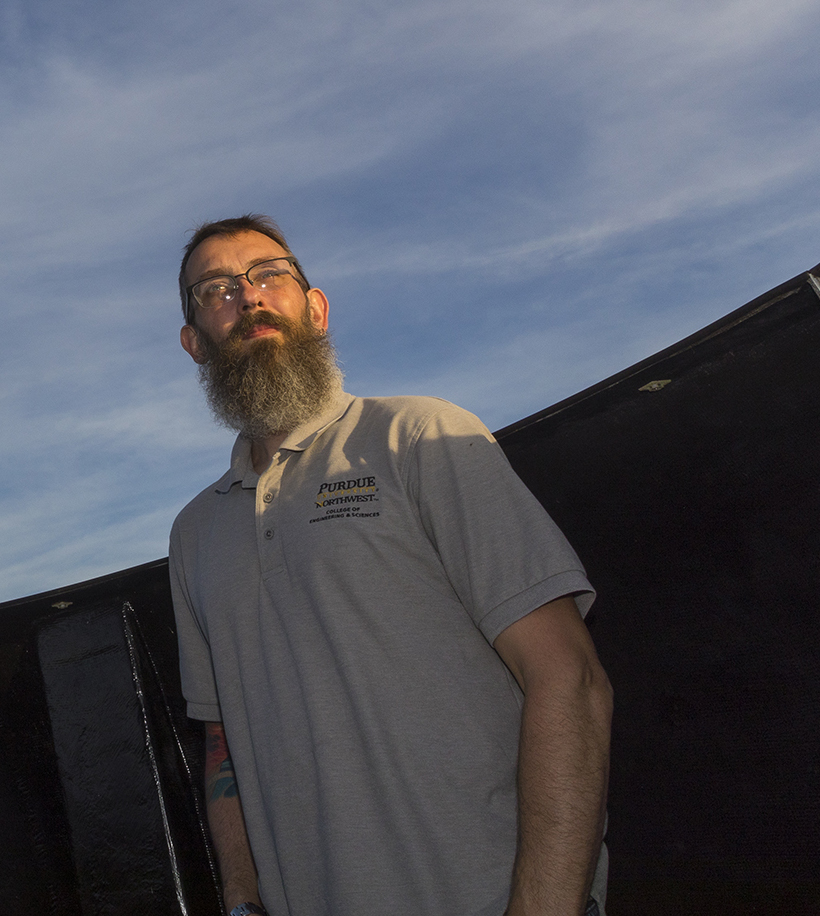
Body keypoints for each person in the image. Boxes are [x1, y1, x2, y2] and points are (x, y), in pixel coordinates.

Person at [167, 214, 613, 916]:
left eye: (269, 274)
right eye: (215, 289)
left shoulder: (423, 436)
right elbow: (223, 739)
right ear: (194, 343)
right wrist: (243, 899)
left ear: (314, 308)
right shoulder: (194, 534)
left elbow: (570, 678)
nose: (248, 297)